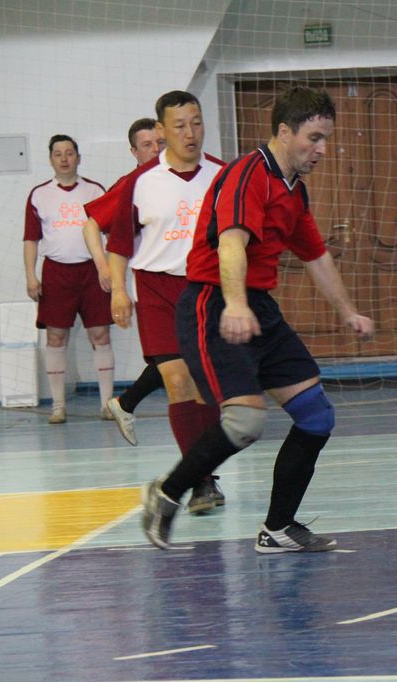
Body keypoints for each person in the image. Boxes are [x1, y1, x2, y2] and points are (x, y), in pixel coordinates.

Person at [140, 85, 375, 552]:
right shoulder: (248, 174)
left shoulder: (294, 191)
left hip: (258, 306)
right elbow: (231, 243)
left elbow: (316, 256)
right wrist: (236, 304)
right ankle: (167, 491)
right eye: (313, 138)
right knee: (245, 423)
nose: (321, 149)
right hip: (214, 303)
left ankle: (278, 528)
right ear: (285, 132)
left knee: (316, 416)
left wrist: (348, 310)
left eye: (326, 139)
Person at [89, 91, 226, 514]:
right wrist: (118, 290)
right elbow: (117, 242)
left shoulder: (224, 175)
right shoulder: (140, 181)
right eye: (180, 125)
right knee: (177, 381)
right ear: (163, 130)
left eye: (196, 123)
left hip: (207, 290)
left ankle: (205, 472)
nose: (190, 132)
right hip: (156, 290)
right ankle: (201, 482)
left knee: (206, 387)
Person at [83, 117, 166, 445]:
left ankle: (126, 403)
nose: (156, 149)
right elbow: (90, 224)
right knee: (177, 360)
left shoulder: (181, 175)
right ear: (134, 152)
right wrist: (104, 267)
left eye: (160, 142)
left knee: (182, 361)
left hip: (189, 279)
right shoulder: (133, 183)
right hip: (151, 283)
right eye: (147, 145)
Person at [23, 135, 112, 424]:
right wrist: (31, 276)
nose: (64, 158)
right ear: (51, 159)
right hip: (56, 273)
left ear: (78, 157)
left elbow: (111, 234)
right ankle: (58, 406)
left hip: (92, 272)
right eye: (58, 154)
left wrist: (109, 269)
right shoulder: (39, 194)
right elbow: (31, 239)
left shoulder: (95, 190)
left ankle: (108, 405)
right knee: (55, 337)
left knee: (100, 335)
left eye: (69, 153)